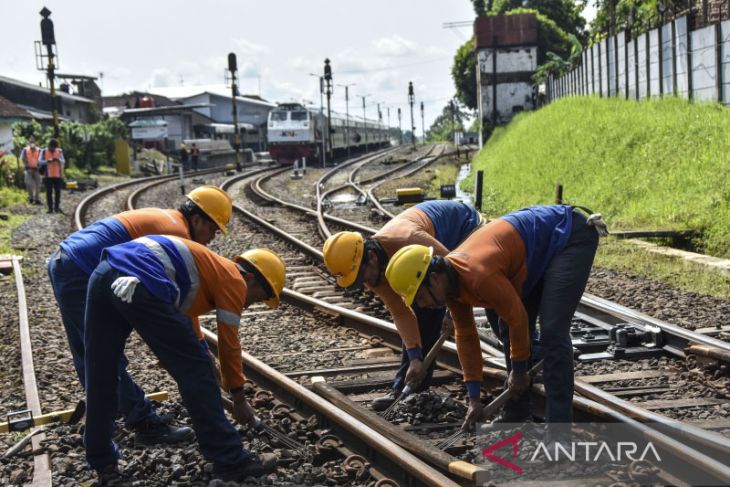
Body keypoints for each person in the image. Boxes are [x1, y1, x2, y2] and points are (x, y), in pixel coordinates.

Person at [385, 205, 604, 429]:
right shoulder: (451, 290)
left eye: (421, 297)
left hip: (567, 236)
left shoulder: (478, 275)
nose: (424, 305)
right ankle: (518, 413)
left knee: (552, 333)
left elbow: (517, 318)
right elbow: (467, 336)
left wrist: (519, 371)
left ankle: (559, 431)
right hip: (533, 253)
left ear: (434, 279)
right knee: (509, 327)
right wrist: (474, 398)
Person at [84, 238, 285, 481]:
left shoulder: (207, 269)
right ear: (251, 279)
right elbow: (229, 344)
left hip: (104, 272)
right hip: (140, 281)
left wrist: (205, 357)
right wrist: (239, 398)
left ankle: (101, 458)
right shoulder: (234, 279)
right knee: (196, 370)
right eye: (258, 297)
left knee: (101, 370)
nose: (251, 304)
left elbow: (185, 323)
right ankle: (230, 458)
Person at [47, 186, 232, 446]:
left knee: (88, 352)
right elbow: (181, 302)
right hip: (79, 269)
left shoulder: (169, 218)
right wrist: (200, 348)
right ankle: (142, 422)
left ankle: (104, 415)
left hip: (64, 261)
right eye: (213, 230)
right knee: (105, 356)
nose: (212, 238)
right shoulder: (178, 234)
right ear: (198, 219)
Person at [322, 200, 482, 410]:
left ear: (371, 257)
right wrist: (415, 357)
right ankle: (408, 389)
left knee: (428, 308)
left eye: (361, 277)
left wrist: (453, 309)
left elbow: (455, 270)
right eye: (357, 282)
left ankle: (411, 391)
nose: (365, 284)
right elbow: (401, 312)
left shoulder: (407, 240)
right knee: (419, 305)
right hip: (431, 242)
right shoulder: (375, 273)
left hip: (460, 227)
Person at [40, 138, 65, 213]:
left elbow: (63, 161)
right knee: (49, 192)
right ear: (49, 145)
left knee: (58, 192)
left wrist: (58, 160)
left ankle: (57, 207)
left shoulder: (59, 151)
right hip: (48, 176)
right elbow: (40, 161)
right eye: (51, 147)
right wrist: (48, 161)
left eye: (54, 147)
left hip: (58, 175)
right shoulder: (44, 151)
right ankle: (50, 208)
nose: (52, 149)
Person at [20, 137, 42, 204]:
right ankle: (31, 198)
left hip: (37, 169)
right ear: (29, 142)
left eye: (33, 141)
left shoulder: (39, 150)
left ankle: (37, 199)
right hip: (28, 169)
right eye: (31, 142)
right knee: (28, 183)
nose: (32, 143)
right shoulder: (25, 150)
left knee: (38, 184)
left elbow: (41, 160)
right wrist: (27, 167)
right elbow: (23, 159)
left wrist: (39, 167)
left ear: (35, 142)